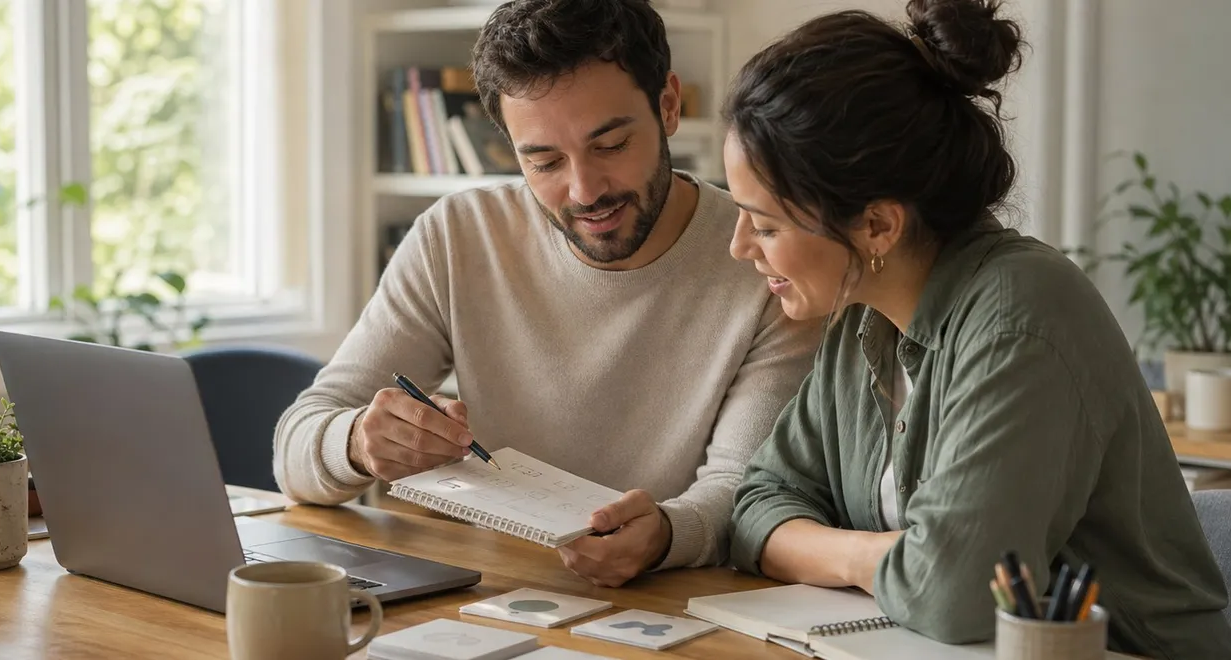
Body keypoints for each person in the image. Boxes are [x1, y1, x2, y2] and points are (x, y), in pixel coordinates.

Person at [721, 0, 1231, 657]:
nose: (740, 246)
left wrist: (861, 558)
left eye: (765, 224)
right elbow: (759, 505)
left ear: (878, 225)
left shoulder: (1024, 317)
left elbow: (951, 592)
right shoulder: (860, 322)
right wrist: (876, 556)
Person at [273, 0, 820, 588]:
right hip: (480, 587)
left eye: (610, 146)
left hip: (660, 602)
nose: (584, 190)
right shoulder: (457, 236)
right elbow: (296, 447)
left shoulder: (763, 260)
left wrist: (665, 532)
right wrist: (357, 443)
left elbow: (746, 489)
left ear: (667, 106)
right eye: (545, 161)